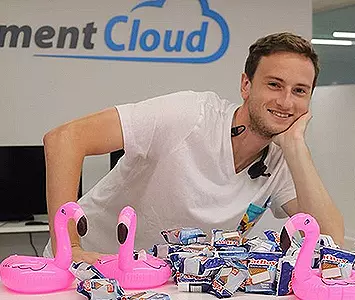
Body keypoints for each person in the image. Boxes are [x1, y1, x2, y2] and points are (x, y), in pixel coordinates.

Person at [43, 32, 344, 264]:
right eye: (274, 85)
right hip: (89, 269)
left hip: (165, 286)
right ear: (246, 85)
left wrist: (295, 145)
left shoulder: (282, 158)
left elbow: (332, 242)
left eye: (300, 91)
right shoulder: (190, 115)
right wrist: (69, 248)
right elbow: (65, 138)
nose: (286, 101)